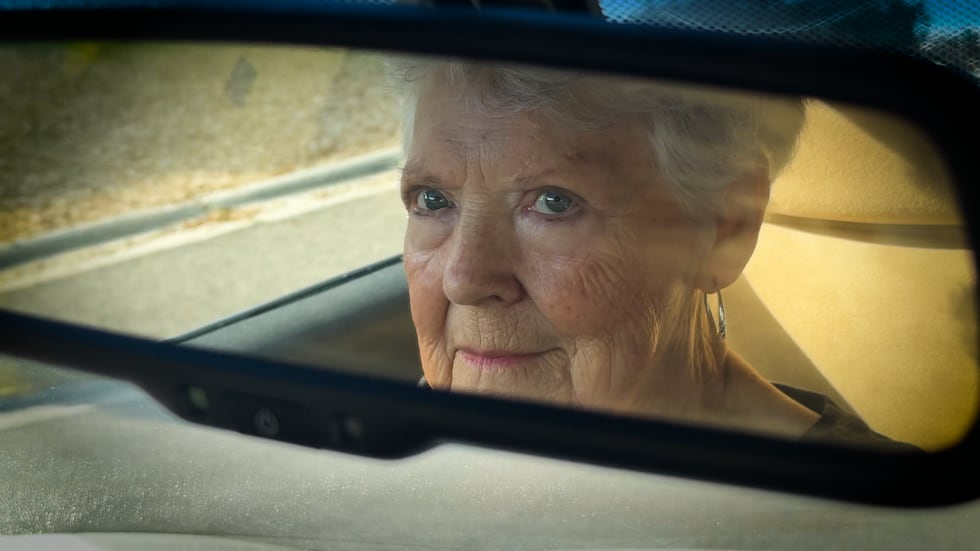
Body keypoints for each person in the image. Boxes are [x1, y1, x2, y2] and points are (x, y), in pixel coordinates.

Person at [387, 57, 906, 446]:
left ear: (724, 228)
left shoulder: (881, 516)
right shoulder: (396, 448)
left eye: (553, 202)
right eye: (433, 201)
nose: (464, 278)